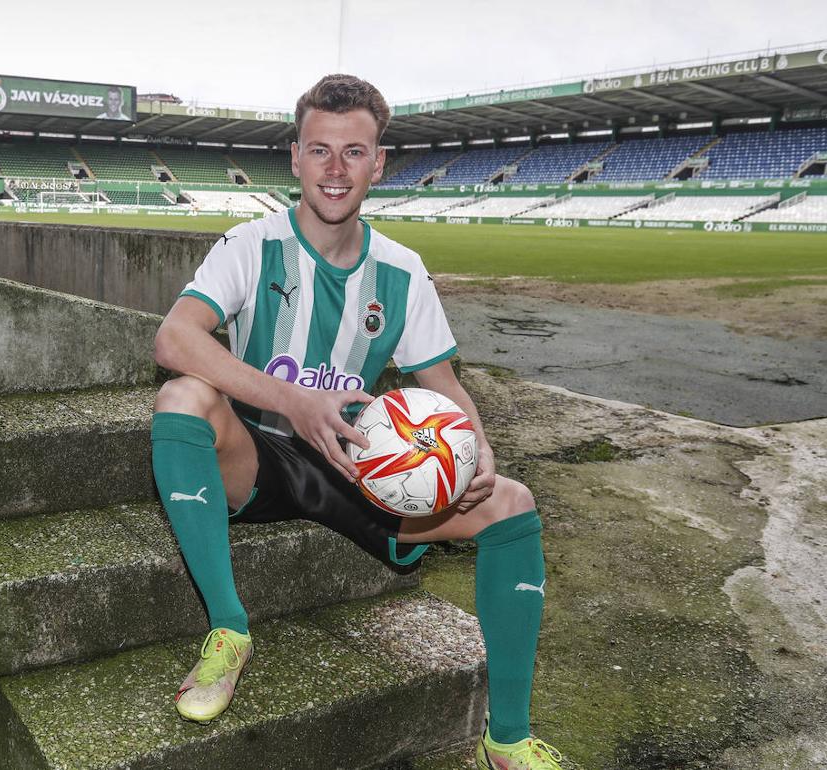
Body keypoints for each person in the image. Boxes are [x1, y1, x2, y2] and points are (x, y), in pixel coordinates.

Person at [150, 74, 565, 770]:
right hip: (259, 458)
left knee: (514, 503)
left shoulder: (402, 272)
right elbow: (174, 339)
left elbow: (445, 386)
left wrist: (479, 452)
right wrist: (293, 402)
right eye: (319, 149)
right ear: (294, 158)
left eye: (353, 151)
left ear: (378, 161)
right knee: (183, 395)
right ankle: (229, 630)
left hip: (364, 471)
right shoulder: (252, 245)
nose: (335, 169)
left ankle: (508, 741)